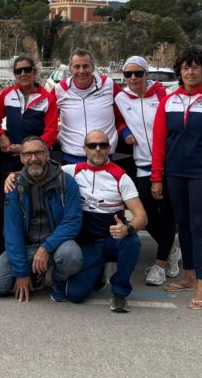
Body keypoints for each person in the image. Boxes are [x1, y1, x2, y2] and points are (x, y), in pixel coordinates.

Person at [152, 47, 202, 310]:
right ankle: (188, 276)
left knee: (199, 227)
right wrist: (156, 176)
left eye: (195, 67)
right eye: (185, 67)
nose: (190, 72)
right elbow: (159, 143)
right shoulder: (168, 101)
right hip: (174, 173)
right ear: (180, 72)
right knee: (183, 225)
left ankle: (201, 283)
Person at [0, 136, 82, 302]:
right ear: (21, 158)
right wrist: (21, 273)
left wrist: (46, 248)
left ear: (47, 155)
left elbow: (73, 222)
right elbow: (12, 231)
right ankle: (34, 272)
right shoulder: (14, 186)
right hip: (27, 246)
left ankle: (58, 280)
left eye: (38, 153)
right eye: (28, 154)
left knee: (71, 256)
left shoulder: (66, 182)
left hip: (56, 245)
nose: (33, 158)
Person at [63, 129, 148, 312]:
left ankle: (119, 292)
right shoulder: (72, 171)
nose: (98, 149)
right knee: (75, 296)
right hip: (87, 244)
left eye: (103, 145)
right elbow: (40, 169)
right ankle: (98, 270)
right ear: (84, 149)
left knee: (132, 241)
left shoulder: (121, 177)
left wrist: (128, 229)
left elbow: (142, 217)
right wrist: (14, 175)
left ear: (110, 148)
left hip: (111, 241)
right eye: (92, 145)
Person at [114, 55, 180, 286]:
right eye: (128, 74)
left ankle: (160, 264)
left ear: (146, 75)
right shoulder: (121, 98)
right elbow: (119, 121)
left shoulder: (163, 94)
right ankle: (172, 250)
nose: (133, 78)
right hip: (143, 164)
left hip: (169, 163)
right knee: (146, 214)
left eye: (138, 73)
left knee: (168, 213)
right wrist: (124, 134)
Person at [0, 54, 57, 251]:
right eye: (18, 71)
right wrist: (1, 136)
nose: (23, 74)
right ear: (14, 74)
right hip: (11, 158)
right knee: (7, 201)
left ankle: (36, 244)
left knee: (36, 202)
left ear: (34, 72)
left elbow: (51, 132)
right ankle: (5, 245)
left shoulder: (47, 98)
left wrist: (28, 149)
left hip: (36, 160)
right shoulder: (6, 95)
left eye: (27, 70)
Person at [54, 48, 121, 165]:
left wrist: (125, 132)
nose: (81, 71)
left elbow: (123, 113)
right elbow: (45, 115)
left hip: (104, 156)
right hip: (72, 158)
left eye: (85, 66)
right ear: (70, 69)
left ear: (93, 68)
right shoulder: (60, 89)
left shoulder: (108, 85)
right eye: (76, 67)